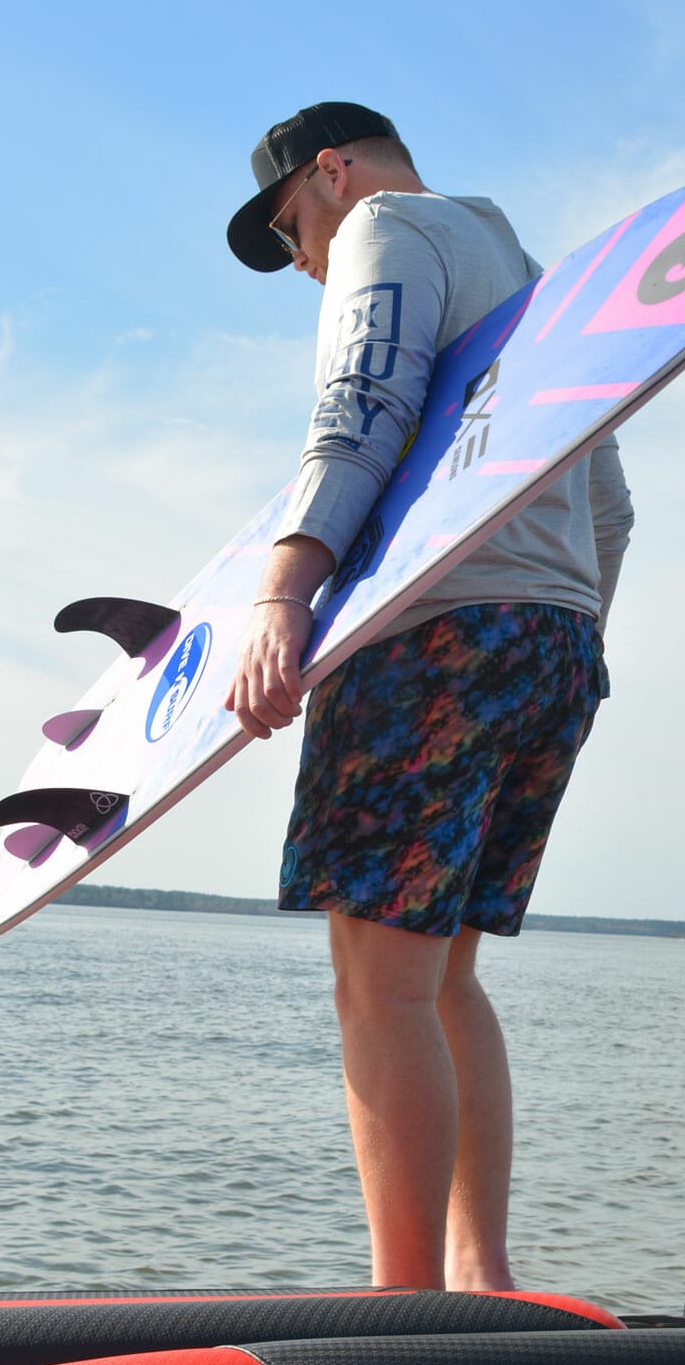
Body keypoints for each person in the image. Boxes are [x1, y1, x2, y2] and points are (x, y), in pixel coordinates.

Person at [223, 103, 633, 1291]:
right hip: (554, 641)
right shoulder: (526, 275)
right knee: (447, 979)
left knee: (379, 984)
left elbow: (360, 401)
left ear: (331, 173)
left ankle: (402, 1309)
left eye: (294, 225)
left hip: (434, 637)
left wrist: (284, 591)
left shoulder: (383, 229)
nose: (305, 259)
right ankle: (481, 1277)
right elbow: (610, 499)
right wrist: (569, 631)